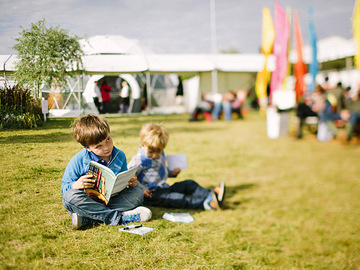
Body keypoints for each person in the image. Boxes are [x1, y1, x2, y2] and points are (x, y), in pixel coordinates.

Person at [61, 114, 151, 230]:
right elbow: (64, 188)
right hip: (89, 201)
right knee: (69, 197)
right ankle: (119, 218)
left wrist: (129, 182)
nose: (106, 148)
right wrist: (76, 185)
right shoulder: (78, 160)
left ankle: (88, 219)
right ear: (87, 147)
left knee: (137, 194)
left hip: (113, 199)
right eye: (99, 146)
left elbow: (122, 181)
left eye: (108, 139)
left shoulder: (119, 155)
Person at [128, 123, 225, 210]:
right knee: (178, 198)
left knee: (189, 184)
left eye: (158, 151)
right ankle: (206, 204)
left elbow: (159, 170)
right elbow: (129, 178)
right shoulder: (139, 160)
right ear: (142, 144)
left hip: (164, 187)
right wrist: (142, 189)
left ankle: (210, 194)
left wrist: (171, 173)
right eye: (151, 151)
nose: (154, 155)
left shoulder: (160, 155)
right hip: (151, 194)